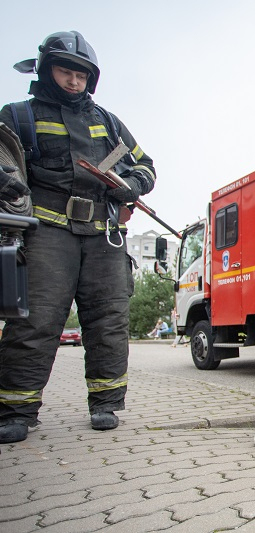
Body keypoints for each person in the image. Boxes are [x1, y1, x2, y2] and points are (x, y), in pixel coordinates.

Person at [0, 31, 156, 444]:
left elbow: (147, 166)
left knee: (109, 321)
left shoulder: (106, 122)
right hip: (46, 232)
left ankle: (105, 403)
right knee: (36, 320)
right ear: (46, 70)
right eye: (65, 71)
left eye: (81, 75)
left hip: (103, 235)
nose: (73, 80)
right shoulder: (18, 116)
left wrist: (132, 186)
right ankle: (17, 408)